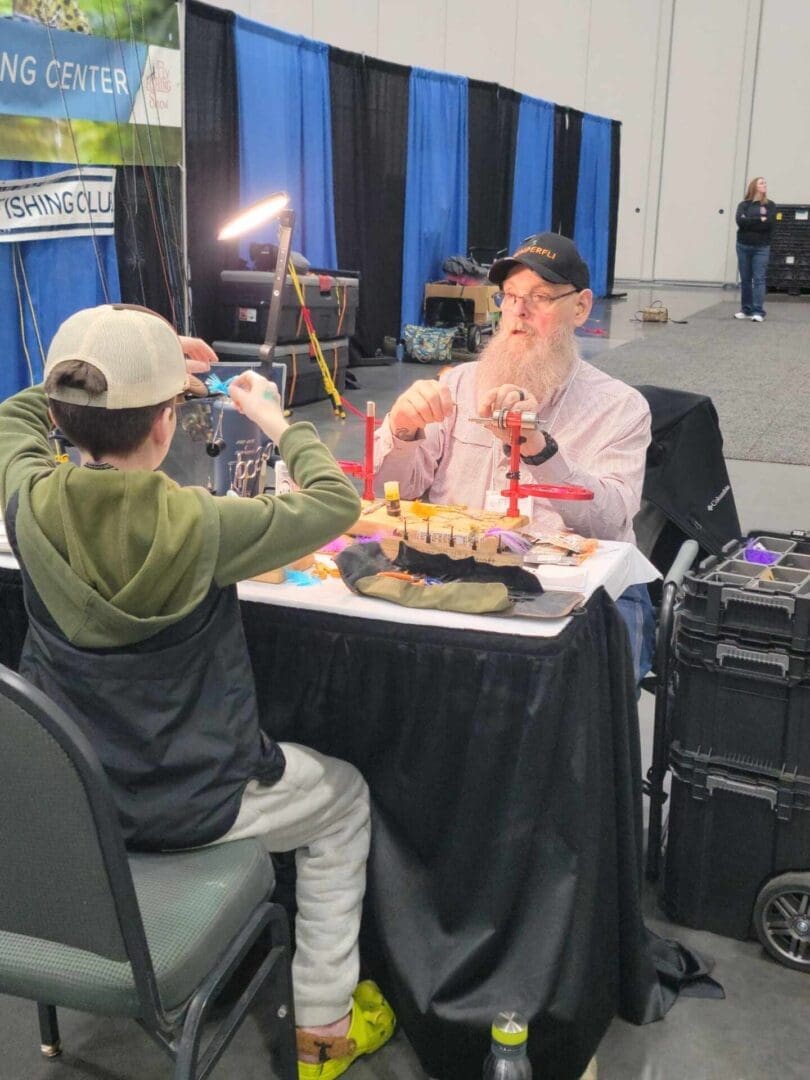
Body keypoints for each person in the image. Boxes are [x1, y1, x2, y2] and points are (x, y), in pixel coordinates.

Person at [0, 304, 395, 1079]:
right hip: (197, 802)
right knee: (345, 800)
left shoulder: (27, 500)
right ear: (165, 425)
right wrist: (278, 421)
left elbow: (14, 417)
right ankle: (324, 1024)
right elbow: (335, 502)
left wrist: (118, 364)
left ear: (63, 419)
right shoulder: (207, 524)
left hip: (77, 804)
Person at [375, 232, 655, 682]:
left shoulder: (620, 408)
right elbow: (389, 492)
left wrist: (539, 450)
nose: (519, 312)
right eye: (509, 296)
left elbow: (609, 524)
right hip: (460, 576)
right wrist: (403, 431)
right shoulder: (459, 385)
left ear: (581, 307)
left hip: (573, 594)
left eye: (540, 297)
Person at [735, 176, 775, 322]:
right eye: (761, 183)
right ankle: (746, 309)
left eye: (765, 182)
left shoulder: (770, 205)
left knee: (759, 279)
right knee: (745, 279)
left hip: (761, 247)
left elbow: (769, 224)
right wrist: (759, 220)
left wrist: (749, 221)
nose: (765, 185)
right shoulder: (743, 205)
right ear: (754, 187)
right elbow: (740, 221)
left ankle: (758, 311)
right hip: (743, 245)